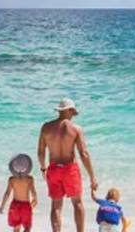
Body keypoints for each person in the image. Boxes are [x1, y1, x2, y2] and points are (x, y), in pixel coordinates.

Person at [38, 98, 98, 232]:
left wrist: (43, 168)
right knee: (77, 203)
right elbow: (84, 154)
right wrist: (92, 176)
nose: (73, 115)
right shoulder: (76, 129)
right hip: (70, 169)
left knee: (56, 206)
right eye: (72, 112)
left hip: (53, 169)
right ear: (69, 110)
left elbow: (41, 152)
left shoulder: (46, 127)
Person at [0, 153, 38, 232]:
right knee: (27, 227)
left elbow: (7, 194)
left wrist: (2, 206)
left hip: (15, 205)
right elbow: (33, 192)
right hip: (25, 205)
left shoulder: (12, 179)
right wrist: (35, 199)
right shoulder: (29, 179)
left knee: (16, 226)